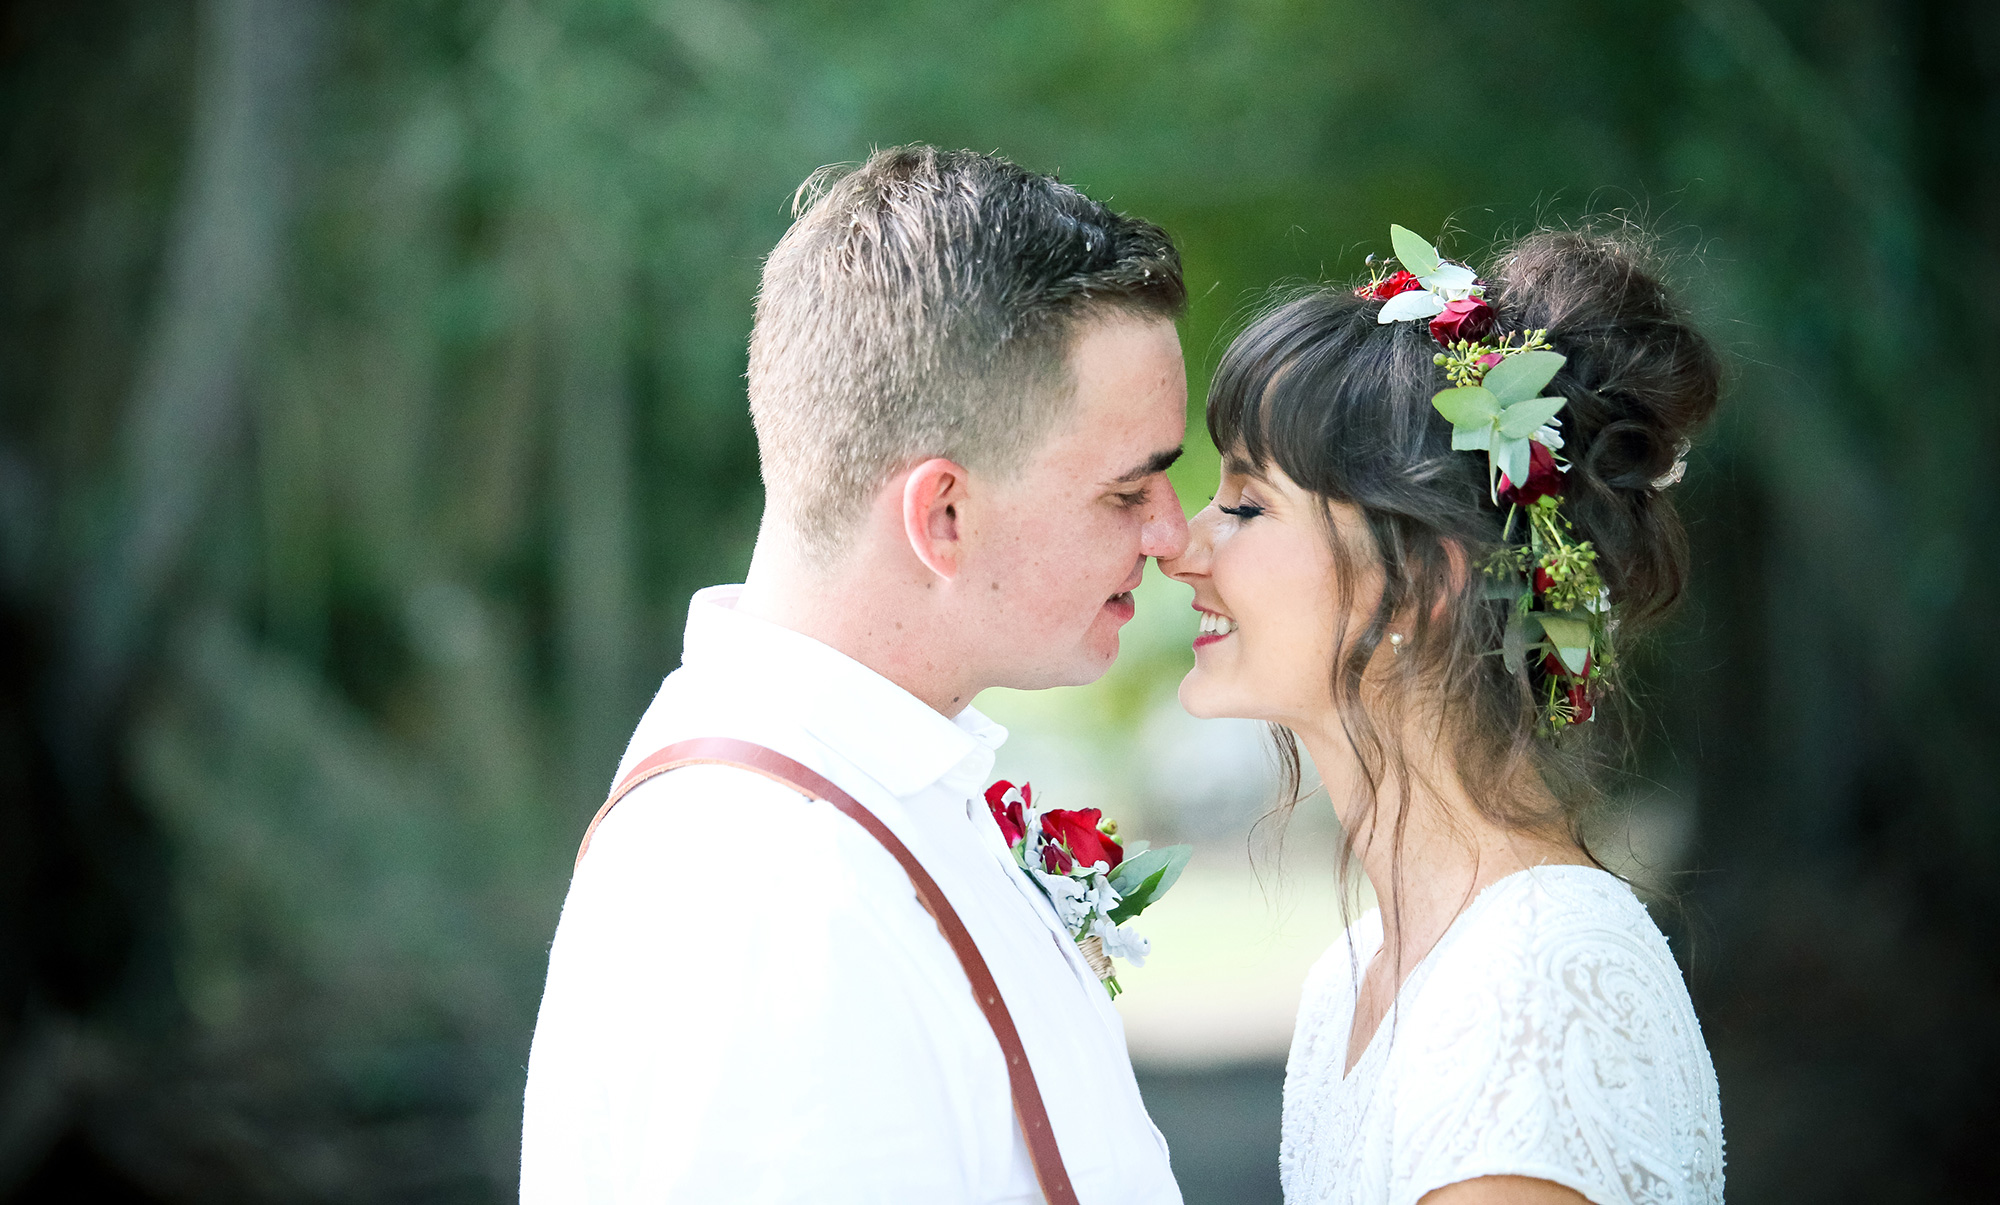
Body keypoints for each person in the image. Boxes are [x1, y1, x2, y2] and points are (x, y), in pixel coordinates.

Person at [520, 146, 1191, 1204]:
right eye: (1127, 491)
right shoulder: (774, 894)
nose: (1172, 533)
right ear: (943, 516)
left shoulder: (857, 803)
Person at [1164, 225, 1725, 1204]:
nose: (1180, 544)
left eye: (1246, 505)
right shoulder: (1349, 984)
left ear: (1424, 574)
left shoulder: (1533, 979)